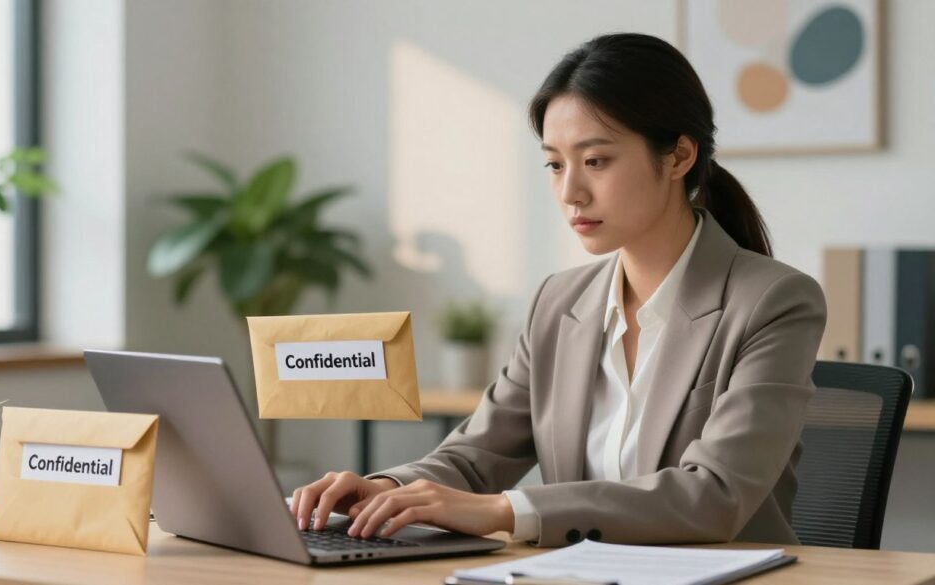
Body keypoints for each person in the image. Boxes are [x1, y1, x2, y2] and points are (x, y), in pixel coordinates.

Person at [289, 32, 827, 548]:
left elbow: (715, 495)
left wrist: (507, 510)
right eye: (554, 164)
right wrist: (387, 488)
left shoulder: (774, 301)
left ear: (679, 157)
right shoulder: (560, 303)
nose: (570, 192)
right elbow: (477, 455)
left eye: (596, 161)